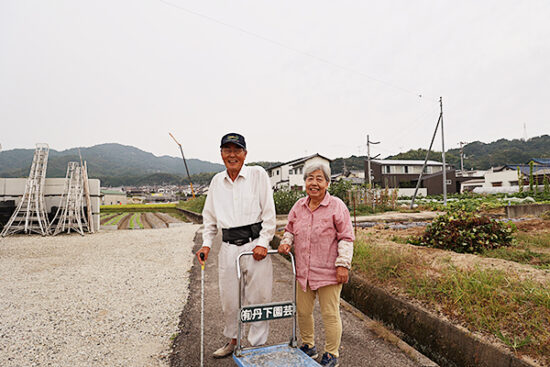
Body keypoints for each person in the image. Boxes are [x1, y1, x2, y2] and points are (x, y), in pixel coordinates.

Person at [196, 133, 276, 359]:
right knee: (230, 299)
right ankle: (233, 340)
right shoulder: (216, 182)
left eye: (237, 150)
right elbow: (209, 218)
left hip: (254, 246)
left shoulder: (258, 174)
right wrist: (206, 244)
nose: (232, 155)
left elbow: (269, 215)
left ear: (245, 154)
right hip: (229, 247)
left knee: (259, 298)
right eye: (227, 150)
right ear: (221, 154)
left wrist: (263, 242)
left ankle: (256, 346)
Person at [278, 163, 354, 367]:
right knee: (302, 311)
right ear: (305, 183)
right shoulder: (299, 206)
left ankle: (331, 354)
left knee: (330, 313)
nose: (314, 183)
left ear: (327, 183)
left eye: (319, 179)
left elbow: (346, 237)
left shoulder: (337, 206)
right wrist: (286, 242)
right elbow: (290, 230)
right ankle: (308, 345)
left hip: (329, 271)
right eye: (310, 178)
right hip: (304, 272)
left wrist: (343, 264)